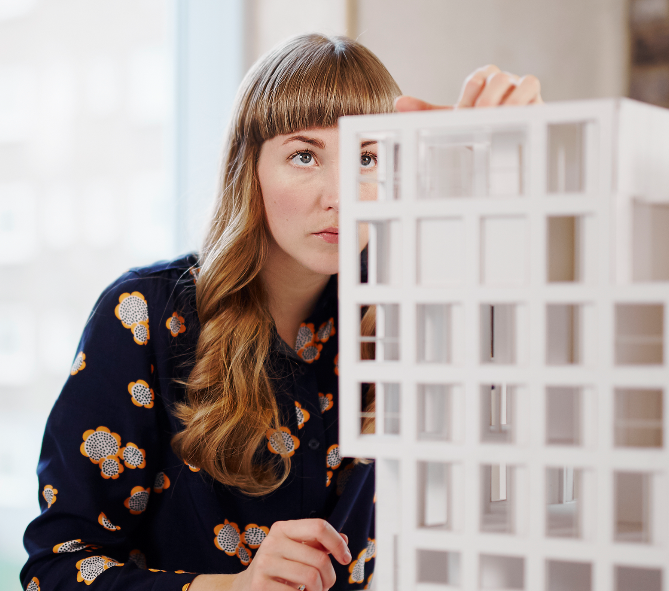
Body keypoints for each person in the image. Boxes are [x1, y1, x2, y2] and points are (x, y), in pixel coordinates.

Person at [21, 34, 542, 591]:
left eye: (367, 157)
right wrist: (235, 588)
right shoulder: (143, 317)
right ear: (251, 171)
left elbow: (500, 470)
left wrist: (499, 175)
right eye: (304, 155)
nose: (342, 195)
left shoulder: (410, 313)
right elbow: (57, 569)